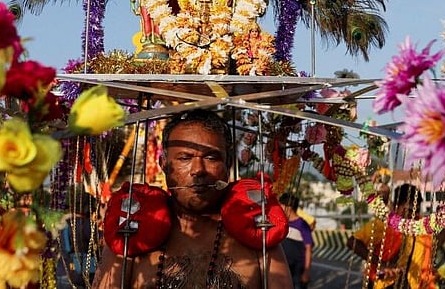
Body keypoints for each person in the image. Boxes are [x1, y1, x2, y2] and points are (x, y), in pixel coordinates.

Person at [92, 109, 293, 289]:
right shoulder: (131, 230)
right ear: (164, 164)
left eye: (211, 157)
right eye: (184, 158)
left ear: (228, 163)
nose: (198, 170)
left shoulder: (258, 232)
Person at [347, 183, 436, 289]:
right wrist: (382, 264)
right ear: (396, 206)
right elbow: (352, 242)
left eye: (415, 211)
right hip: (384, 284)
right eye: (408, 210)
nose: (412, 216)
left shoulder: (421, 226)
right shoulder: (383, 224)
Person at [278, 194, 313, 289]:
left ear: (288, 208)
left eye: (281, 206)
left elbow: (309, 249)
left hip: (298, 270)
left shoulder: (302, 224)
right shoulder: (281, 223)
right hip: (283, 268)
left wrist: (306, 271)